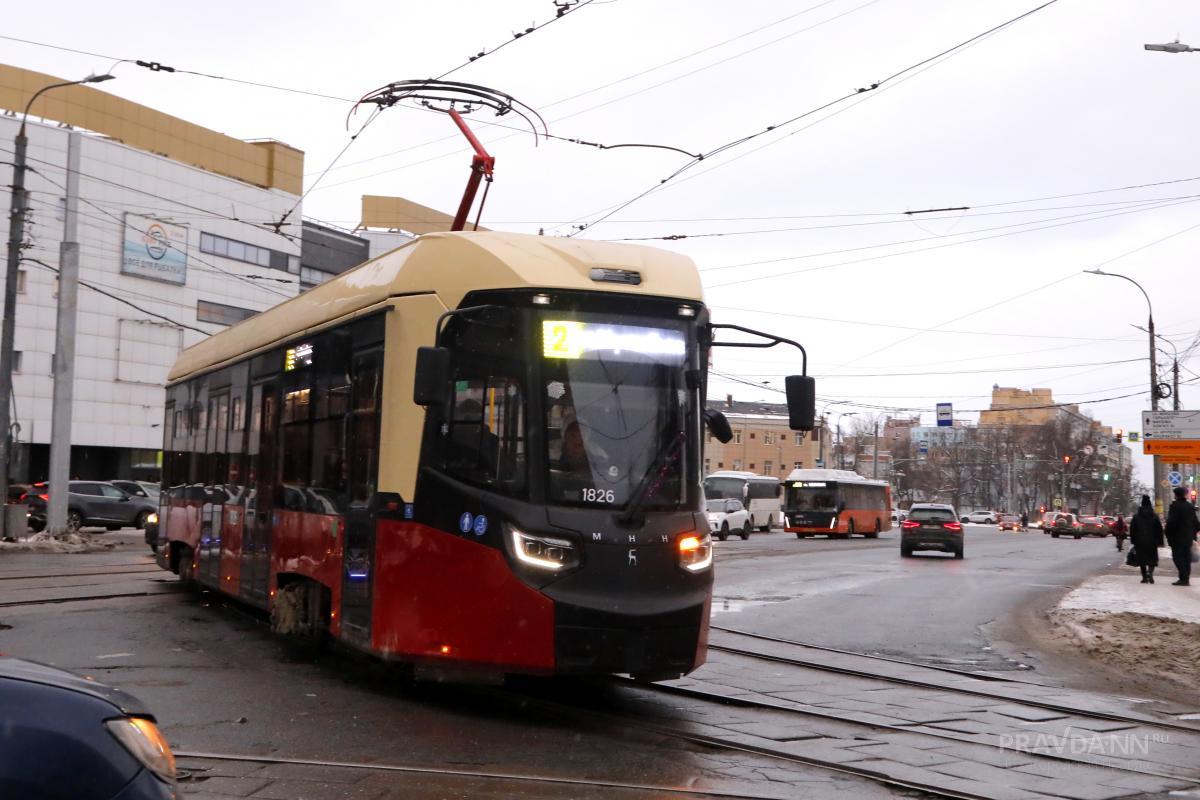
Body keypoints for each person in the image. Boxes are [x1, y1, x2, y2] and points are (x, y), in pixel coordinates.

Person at [1164, 486, 1199, 586]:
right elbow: (1196, 523)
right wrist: (1192, 535)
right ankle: (1185, 578)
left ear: (1176, 495)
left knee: (1178, 558)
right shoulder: (1190, 507)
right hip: (1188, 538)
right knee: (1186, 558)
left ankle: (1183, 579)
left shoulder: (1174, 507)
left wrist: (1167, 533)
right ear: (1185, 495)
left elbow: (1171, 523)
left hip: (1177, 538)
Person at [1129, 495, 1164, 584]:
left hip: (1140, 541)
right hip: (1152, 541)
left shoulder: (1136, 517)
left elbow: (1132, 529)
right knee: (1152, 559)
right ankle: (1150, 574)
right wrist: (1160, 541)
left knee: (1142, 560)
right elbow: (1159, 530)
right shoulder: (1155, 516)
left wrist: (1133, 540)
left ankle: (1144, 577)